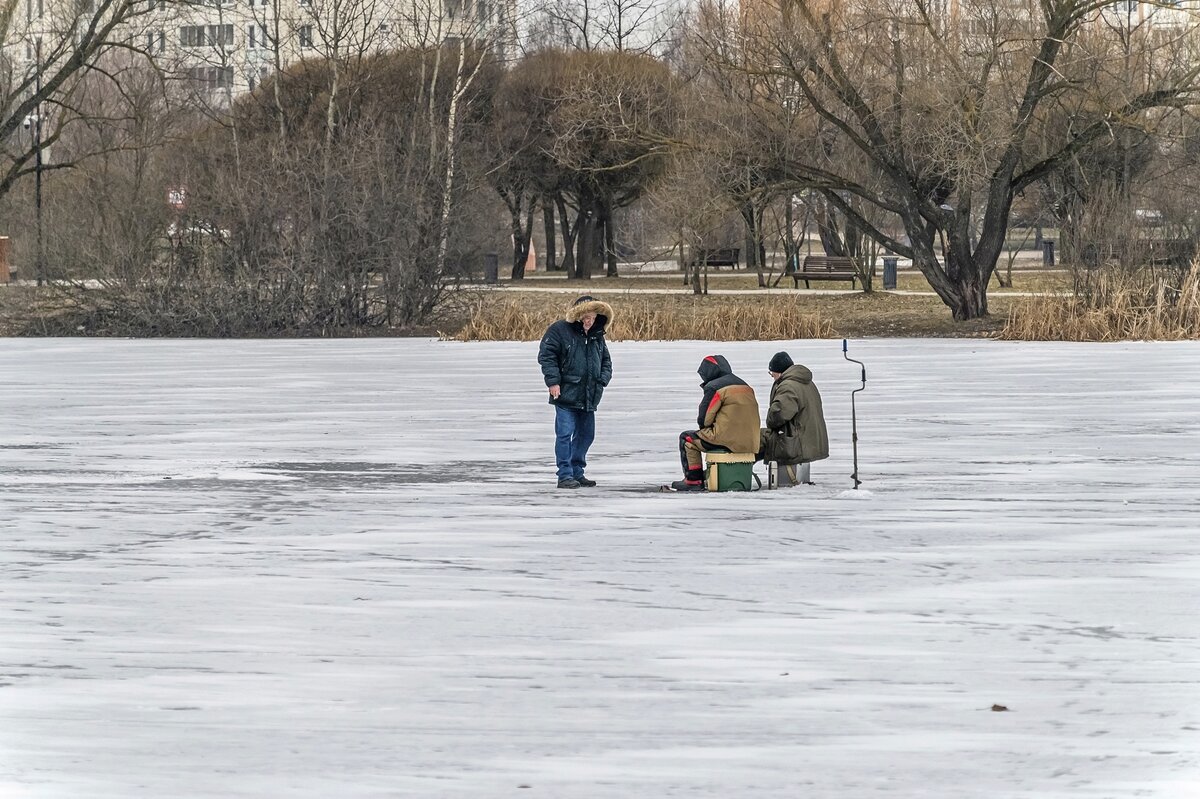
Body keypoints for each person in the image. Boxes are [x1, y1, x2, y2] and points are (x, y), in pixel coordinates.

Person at [538, 295, 614, 489]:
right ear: (578, 315)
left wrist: (602, 379)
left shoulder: (597, 335)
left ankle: (577, 471)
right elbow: (547, 355)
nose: (590, 321)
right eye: (586, 317)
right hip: (565, 393)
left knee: (587, 435)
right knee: (565, 434)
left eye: (593, 317)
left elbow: (606, 361)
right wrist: (553, 382)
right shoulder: (559, 330)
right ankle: (565, 475)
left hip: (589, 395)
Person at [672, 355, 761, 492]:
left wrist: (706, 427)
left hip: (726, 440)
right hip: (752, 441)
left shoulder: (715, 387)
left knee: (687, 439)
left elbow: (704, 419)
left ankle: (693, 480)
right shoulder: (745, 386)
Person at [758, 351, 829, 470]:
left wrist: (770, 419)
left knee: (753, 439)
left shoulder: (788, 386)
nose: (772, 376)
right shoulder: (807, 382)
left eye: (771, 373)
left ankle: (739, 475)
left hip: (795, 444)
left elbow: (777, 416)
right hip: (809, 441)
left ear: (778, 372)